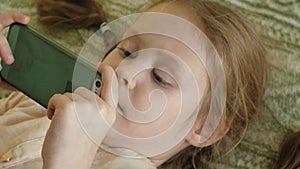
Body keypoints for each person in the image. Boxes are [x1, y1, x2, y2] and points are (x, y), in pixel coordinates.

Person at [0, 0, 268, 168]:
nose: (124, 71)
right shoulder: (39, 101)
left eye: (160, 77)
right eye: (126, 51)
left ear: (205, 128)